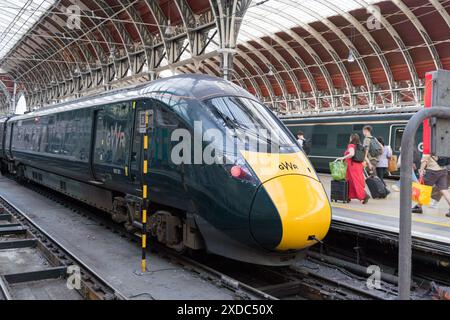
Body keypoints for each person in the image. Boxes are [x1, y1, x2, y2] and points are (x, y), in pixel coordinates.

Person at [336, 133, 370, 204]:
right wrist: (369, 163)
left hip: (351, 166)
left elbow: (352, 154)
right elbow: (364, 157)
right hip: (358, 166)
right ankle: (348, 197)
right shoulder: (360, 146)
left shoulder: (351, 145)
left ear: (351, 138)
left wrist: (342, 158)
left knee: (353, 182)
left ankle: (364, 195)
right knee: (353, 181)